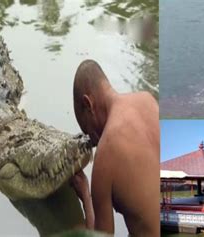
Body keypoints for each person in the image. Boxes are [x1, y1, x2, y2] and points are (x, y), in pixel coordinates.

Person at [69, 59, 160, 236]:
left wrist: (87, 197)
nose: (93, 142)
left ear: (89, 104)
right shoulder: (148, 100)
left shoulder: (105, 156)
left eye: (87, 130)